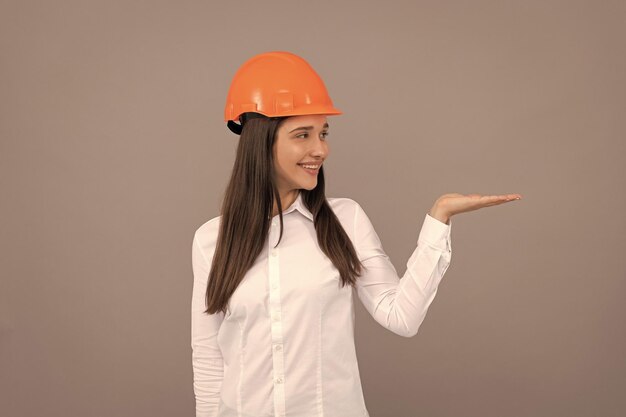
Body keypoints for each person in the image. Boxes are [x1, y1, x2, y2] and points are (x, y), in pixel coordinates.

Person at [191, 51, 522, 417]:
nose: (320, 149)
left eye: (323, 134)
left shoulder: (345, 220)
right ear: (260, 142)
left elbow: (402, 316)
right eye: (303, 135)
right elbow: (208, 358)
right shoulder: (211, 240)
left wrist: (438, 218)